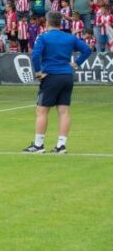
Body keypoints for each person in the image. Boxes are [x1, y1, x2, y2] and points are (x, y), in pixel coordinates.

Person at [23, 11, 92, 154]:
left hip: (51, 75)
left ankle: (38, 145)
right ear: (60, 23)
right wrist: (76, 63)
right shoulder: (69, 37)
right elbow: (86, 50)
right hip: (66, 76)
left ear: (47, 22)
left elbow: (35, 55)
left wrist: (37, 72)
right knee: (64, 111)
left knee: (42, 111)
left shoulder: (43, 37)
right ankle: (61, 146)